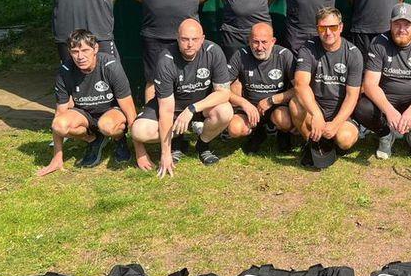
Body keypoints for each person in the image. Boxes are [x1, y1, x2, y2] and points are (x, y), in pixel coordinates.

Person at [130, 19, 233, 177]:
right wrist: (165, 153)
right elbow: (166, 109)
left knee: (225, 111)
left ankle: (202, 144)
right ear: (177, 39)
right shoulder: (166, 60)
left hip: (200, 107)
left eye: (195, 39)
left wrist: (192, 109)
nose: (190, 44)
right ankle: (177, 141)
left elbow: (224, 92)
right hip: (173, 110)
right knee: (139, 131)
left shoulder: (214, 51)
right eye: (185, 39)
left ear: (202, 39)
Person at [41, 29, 139, 176]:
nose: (80, 56)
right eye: (75, 52)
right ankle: (93, 139)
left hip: (111, 112)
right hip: (85, 114)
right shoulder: (65, 70)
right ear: (69, 52)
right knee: (59, 125)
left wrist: (140, 152)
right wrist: (57, 156)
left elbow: (129, 109)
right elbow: (60, 112)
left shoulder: (110, 65)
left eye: (85, 50)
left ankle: (119, 140)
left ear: (95, 49)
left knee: (107, 126)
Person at [354, 3, 411, 160]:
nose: (402, 29)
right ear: (390, 24)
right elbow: (369, 84)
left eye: (407, 24)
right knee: (362, 108)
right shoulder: (379, 42)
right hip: (387, 99)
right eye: (397, 24)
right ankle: (385, 134)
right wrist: (389, 111)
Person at [290, 7, 363, 168]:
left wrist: (336, 123)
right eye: (323, 28)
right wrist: (316, 114)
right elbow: (301, 85)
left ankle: (330, 143)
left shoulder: (353, 53)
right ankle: (312, 143)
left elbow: (352, 96)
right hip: (316, 107)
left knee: (345, 139)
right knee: (295, 104)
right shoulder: (308, 48)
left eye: (333, 27)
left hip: (339, 111)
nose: (328, 32)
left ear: (341, 27)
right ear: (317, 29)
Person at [226, 22, 296, 152]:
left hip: (277, 106)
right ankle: (257, 132)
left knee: (284, 121)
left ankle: (283, 134)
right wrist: (244, 104)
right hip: (250, 108)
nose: (259, 47)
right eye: (255, 42)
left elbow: (299, 88)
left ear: (273, 41)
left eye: (264, 42)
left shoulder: (284, 55)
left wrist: (271, 100)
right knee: (234, 129)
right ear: (249, 41)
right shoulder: (240, 55)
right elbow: (220, 88)